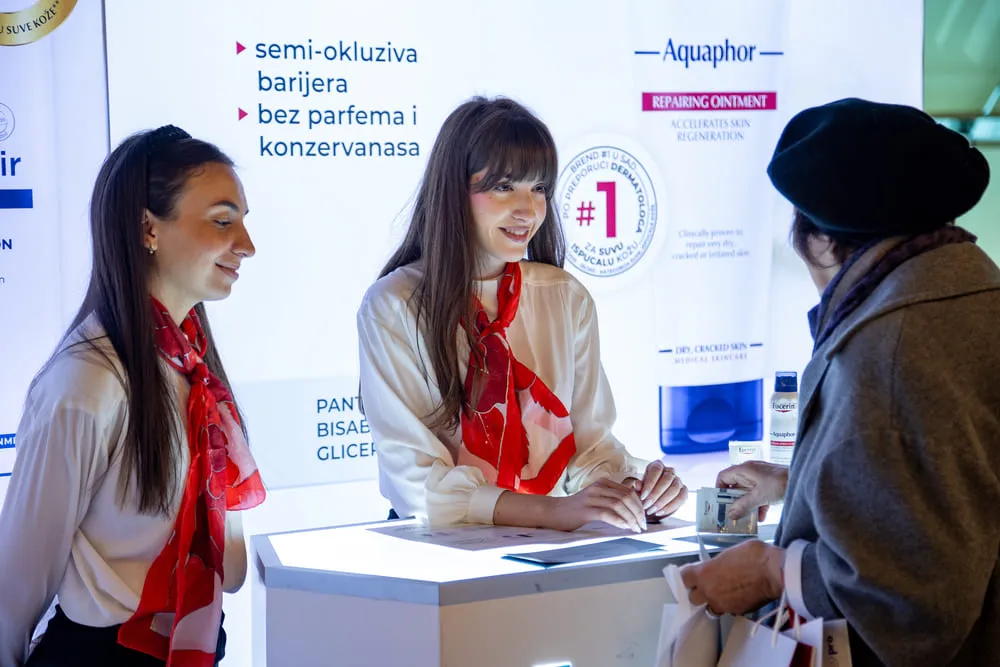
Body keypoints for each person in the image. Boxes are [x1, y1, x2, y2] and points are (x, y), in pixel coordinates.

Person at [680, 98, 999, 666]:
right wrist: (797, 482)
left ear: (822, 239)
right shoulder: (972, 297)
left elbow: (914, 601)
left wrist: (771, 570)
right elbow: (952, 480)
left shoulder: (889, 349)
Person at [0, 126, 266, 666]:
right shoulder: (87, 380)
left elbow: (232, 567)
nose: (247, 245)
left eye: (243, 220)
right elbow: (19, 582)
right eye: (222, 221)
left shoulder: (195, 370)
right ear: (148, 228)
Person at [357, 96, 687, 531]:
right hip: (441, 548)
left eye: (539, 188)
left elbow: (589, 449)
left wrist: (632, 490)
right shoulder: (394, 305)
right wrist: (555, 512)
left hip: (551, 544)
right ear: (454, 191)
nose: (528, 209)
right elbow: (416, 482)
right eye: (504, 186)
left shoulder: (565, 298)